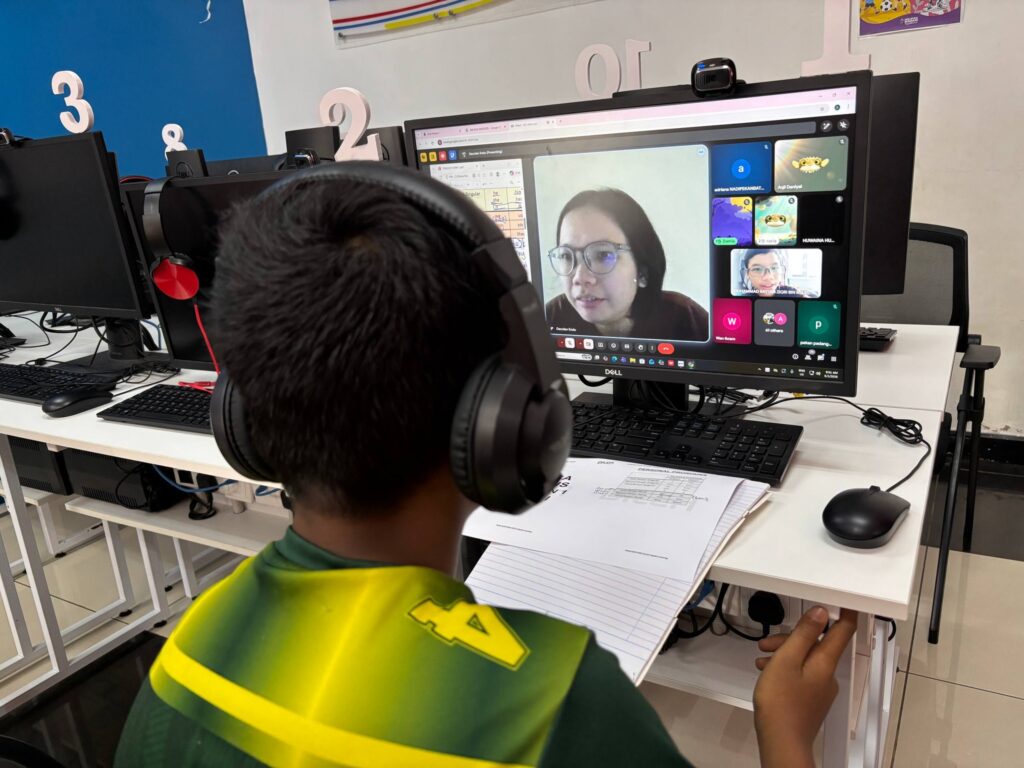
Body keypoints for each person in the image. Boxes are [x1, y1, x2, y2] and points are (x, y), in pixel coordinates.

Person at [115, 171, 857, 767]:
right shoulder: (554, 704)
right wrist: (786, 733)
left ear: (245, 414)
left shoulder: (184, 652)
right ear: (503, 421)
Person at [544, 189, 709, 341]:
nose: (580, 278)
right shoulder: (550, 318)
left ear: (642, 271)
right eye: (566, 256)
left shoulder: (686, 319)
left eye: (603, 255)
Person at [737, 248, 805, 298]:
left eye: (774, 268)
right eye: (757, 269)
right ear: (748, 274)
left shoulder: (792, 294)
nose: (768, 277)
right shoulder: (742, 300)